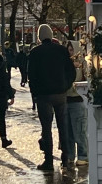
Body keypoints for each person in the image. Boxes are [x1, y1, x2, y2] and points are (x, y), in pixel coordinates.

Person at [27, 25, 76, 173]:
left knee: (46, 128)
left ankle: (48, 160)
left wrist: (35, 94)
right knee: (63, 127)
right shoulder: (61, 50)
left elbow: (32, 76)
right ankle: (66, 158)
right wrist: (65, 86)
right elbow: (71, 71)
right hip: (60, 93)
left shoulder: (35, 53)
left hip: (43, 95)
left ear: (39, 37)